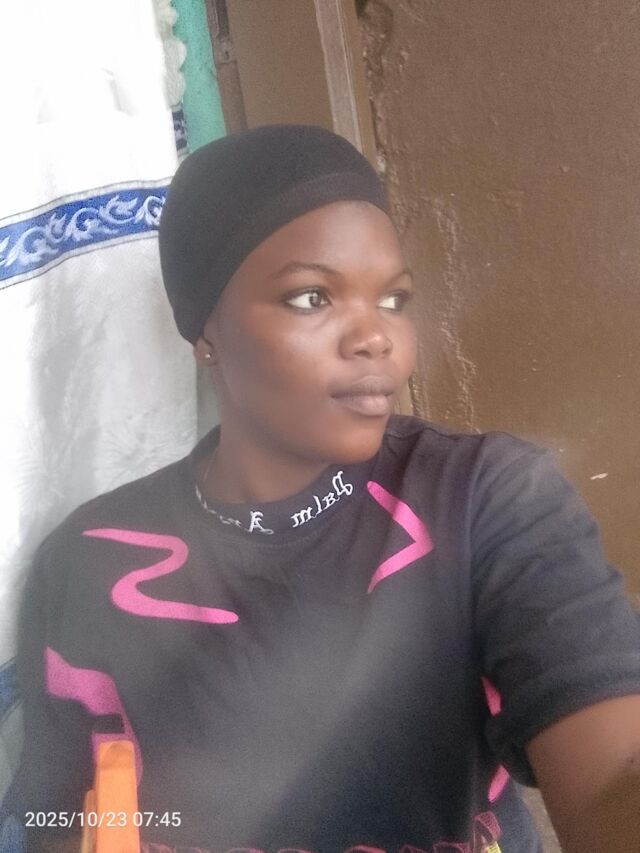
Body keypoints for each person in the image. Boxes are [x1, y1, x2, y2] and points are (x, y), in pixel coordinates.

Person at [4, 124, 640, 853]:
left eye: (393, 299)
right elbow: (54, 821)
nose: (376, 337)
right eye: (312, 297)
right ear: (206, 331)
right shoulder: (91, 561)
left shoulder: (482, 497)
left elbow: (614, 770)